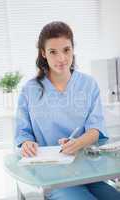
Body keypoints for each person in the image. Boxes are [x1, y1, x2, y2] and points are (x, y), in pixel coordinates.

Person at [15, 21, 120, 200]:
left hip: (88, 171)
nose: (61, 58)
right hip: (52, 175)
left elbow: (96, 129)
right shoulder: (30, 90)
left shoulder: (88, 85)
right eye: (53, 52)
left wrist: (78, 142)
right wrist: (27, 144)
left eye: (66, 50)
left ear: (73, 49)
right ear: (43, 53)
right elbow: (23, 133)